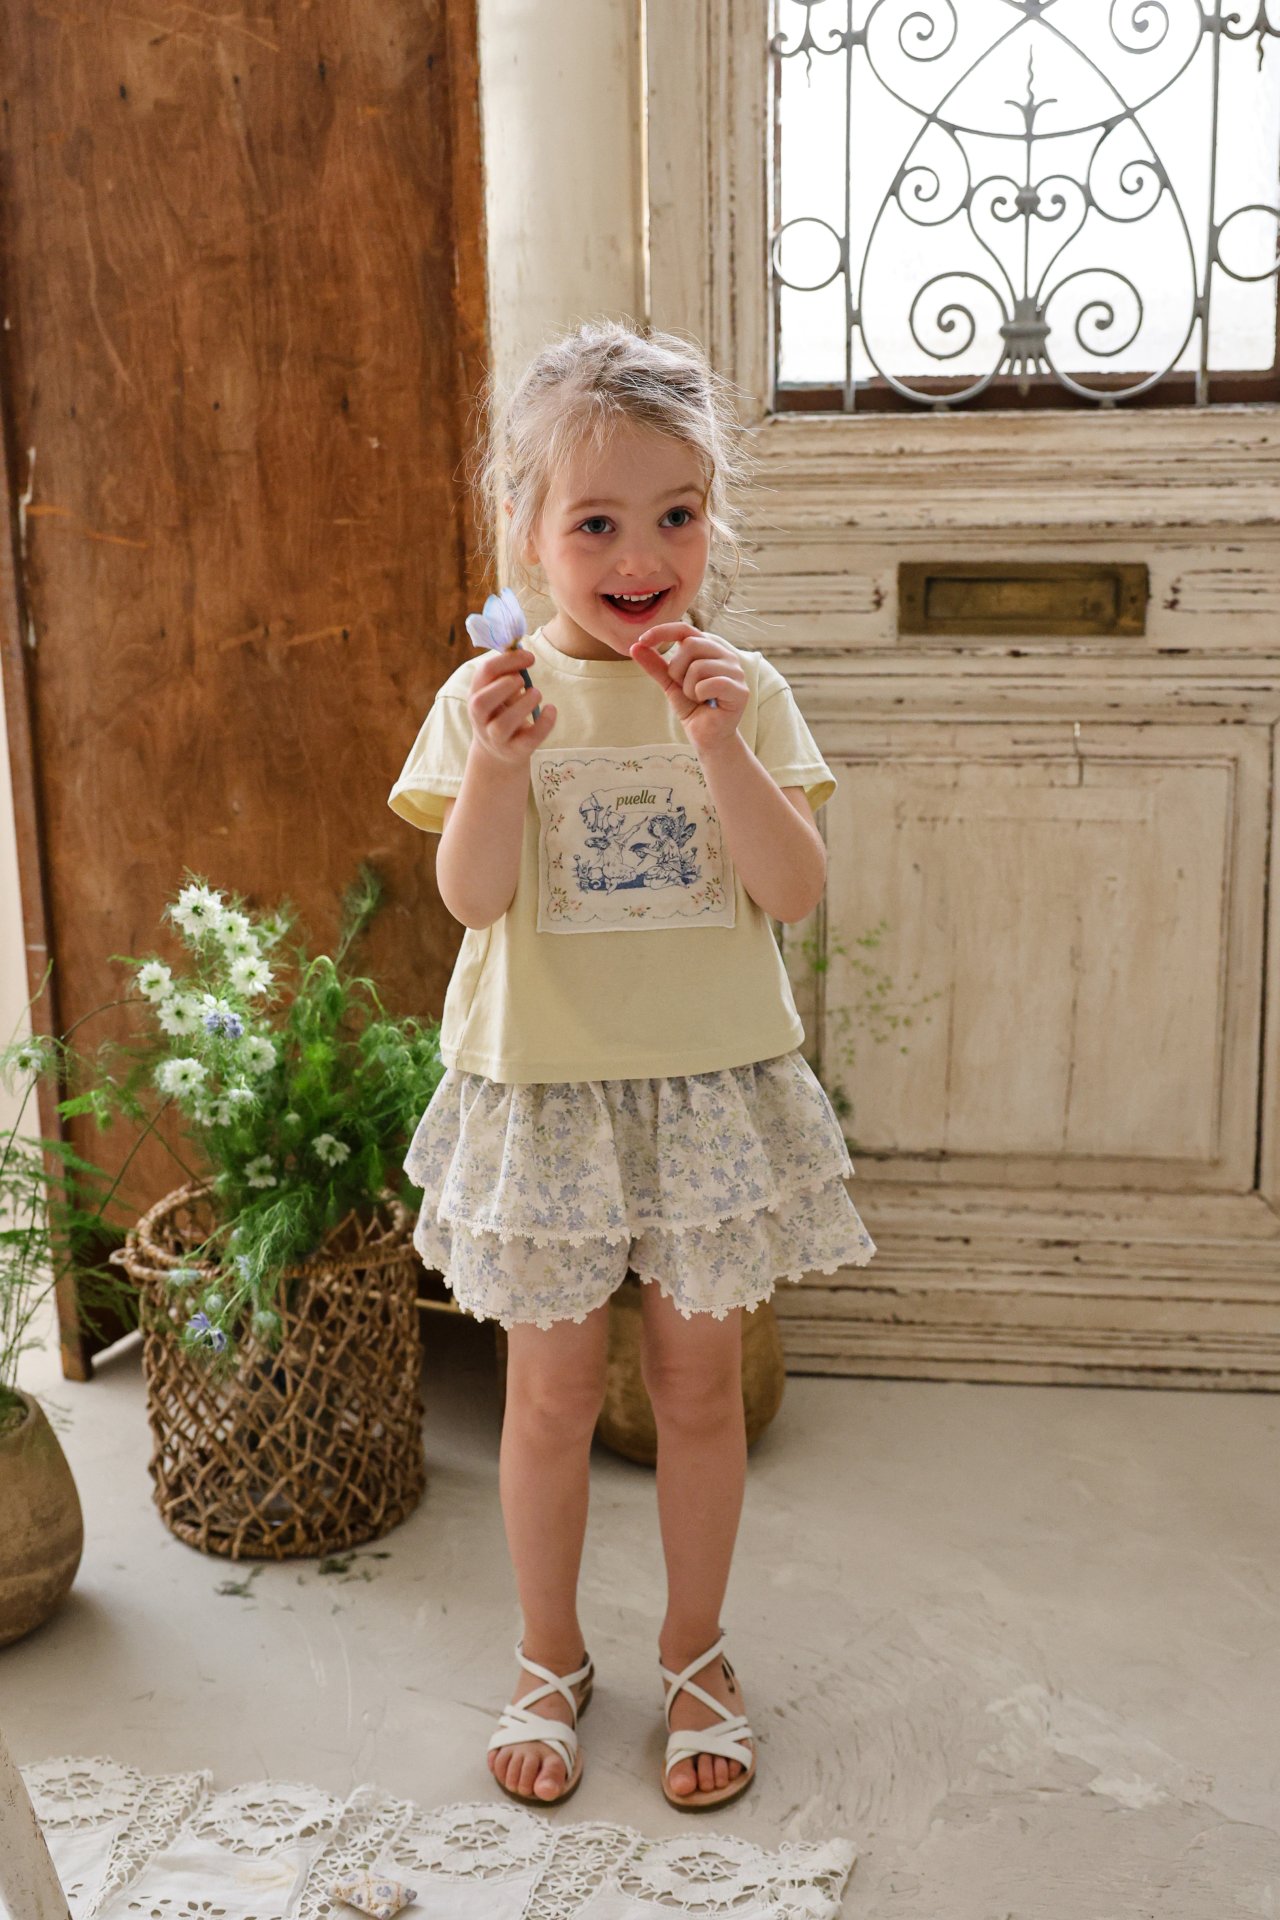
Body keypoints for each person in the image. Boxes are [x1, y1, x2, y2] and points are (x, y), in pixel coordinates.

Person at [388, 318, 876, 1813]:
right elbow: (473, 899)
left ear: (712, 519)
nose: (641, 554)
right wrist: (500, 765)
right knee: (545, 1401)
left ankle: (694, 1652)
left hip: (708, 1088)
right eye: (595, 522)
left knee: (697, 1391)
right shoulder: (491, 698)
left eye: (676, 514)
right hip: (546, 1090)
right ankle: (549, 1652)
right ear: (527, 530)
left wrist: (719, 745)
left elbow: (791, 891)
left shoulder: (746, 688)